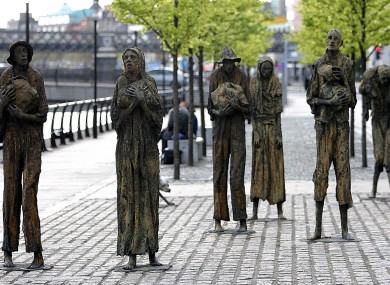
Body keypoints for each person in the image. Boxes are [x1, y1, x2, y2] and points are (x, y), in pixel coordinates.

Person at [111, 47, 163, 270]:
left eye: (133, 57)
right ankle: (131, 252)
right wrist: (134, 103)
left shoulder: (150, 82)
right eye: (126, 58)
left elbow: (157, 121)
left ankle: (151, 250)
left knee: (149, 197)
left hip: (148, 148)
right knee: (128, 196)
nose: (129, 60)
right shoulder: (120, 83)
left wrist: (143, 100)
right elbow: (115, 120)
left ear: (141, 60)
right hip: (126, 148)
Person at [0, 41, 48, 268]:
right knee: (10, 193)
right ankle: (7, 250)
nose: (23, 55)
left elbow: (43, 114)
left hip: (31, 141)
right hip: (11, 141)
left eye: (26, 52)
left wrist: (22, 116)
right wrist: (2, 103)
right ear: (12, 56)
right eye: (19, 52)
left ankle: (37, 253)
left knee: (29, 193)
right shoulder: (5, 77)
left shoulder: (36, 77)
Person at [306, 29, 356, 240]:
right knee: (322, 171)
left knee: (343, 172)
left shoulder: (348, 64)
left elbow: (353, 100)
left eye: (336, 39)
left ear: (342, 42)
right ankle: (318, 228)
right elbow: (311, 98)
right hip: (324, 126)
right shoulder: (318, 65)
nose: (332, 41)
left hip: (342, 126)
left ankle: (344, 229)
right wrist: (329, 103)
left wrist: (344, 83)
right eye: (329, 38)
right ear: (325, 41)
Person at [207, 46, 250, 232]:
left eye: (231, 62)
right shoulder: (215, 76)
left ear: (235, 62)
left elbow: (250, 108)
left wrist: (237, 107)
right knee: (219, 173)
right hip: (221, 130)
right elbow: (210, 107)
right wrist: (220, 111)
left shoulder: (243, 77)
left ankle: (241, 219)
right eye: (226, 62)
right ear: (222, 62)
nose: (229, 65)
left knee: (237, 174)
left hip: (238, 130)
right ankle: (218, 218)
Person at [249, 56, 286, 220]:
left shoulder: (275, 82)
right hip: (259, 130)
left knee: (276, 167)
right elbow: (252, 113)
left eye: (268, 69)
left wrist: (278, 133)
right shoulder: (253, 83)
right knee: (258, 168)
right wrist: (256, 132)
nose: (266, 71)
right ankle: (255, 210)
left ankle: (280, 210)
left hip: (272, 129)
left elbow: (278, 112)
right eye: (263, 68)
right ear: (259, 68)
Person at [359, 65, 390, 197]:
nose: (385, 82)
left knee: (388, 157)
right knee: (379, 156)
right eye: (383, 79)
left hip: (389, 121)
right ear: (378, 77)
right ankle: (374, 190)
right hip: (377, 121)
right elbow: (363, 93)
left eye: (387, 79)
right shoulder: (370, 82)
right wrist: (365, 110)